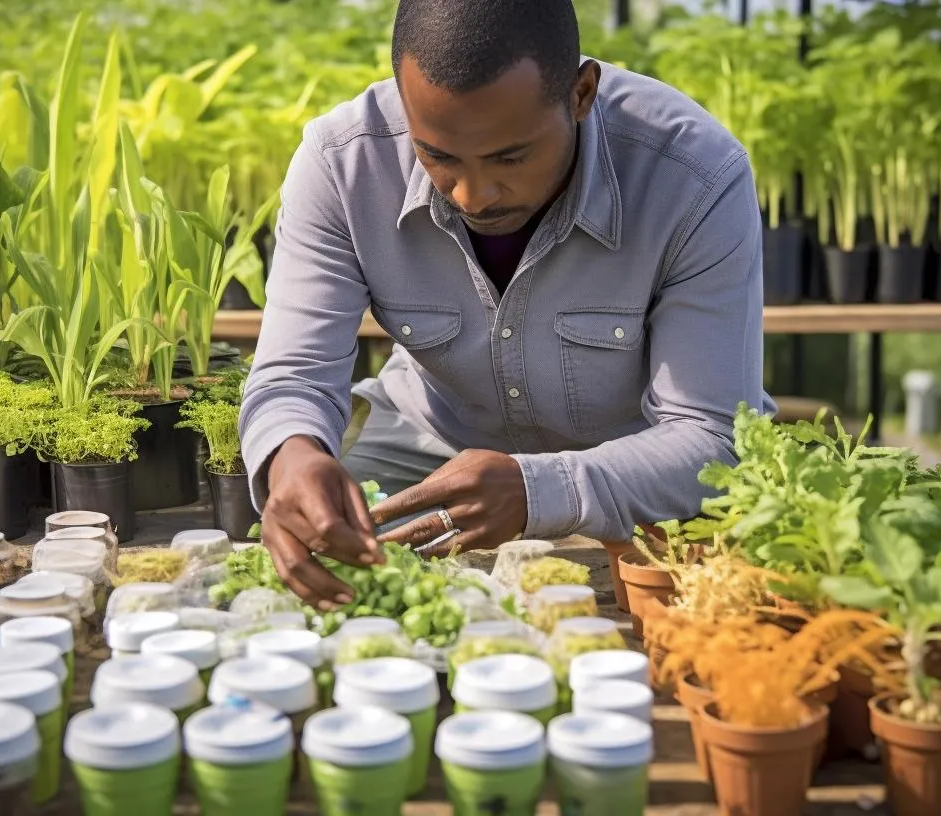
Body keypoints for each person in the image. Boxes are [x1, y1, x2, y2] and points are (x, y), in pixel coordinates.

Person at [238, 0, 773, 608]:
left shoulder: (694, 176)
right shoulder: (343, 164)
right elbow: (293, 375)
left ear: (580, 93)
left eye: (510, 157)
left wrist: (542, 488)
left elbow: (707, 434)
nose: (474, 195)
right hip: (428, 440)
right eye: (437, 156)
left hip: (639, 465)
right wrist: (292, 455)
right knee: (315, 565)